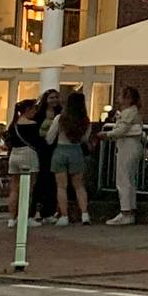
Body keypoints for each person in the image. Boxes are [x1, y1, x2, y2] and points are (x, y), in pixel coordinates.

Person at [102, 86, 147, 225]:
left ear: (128, 98)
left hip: (127, 147)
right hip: (131, 146)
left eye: (121, 96)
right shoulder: (133, 112)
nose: (118, 99)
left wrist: (107, 134)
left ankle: (125, 211)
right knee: (129, 179)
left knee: (123, 179)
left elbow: (122, 129)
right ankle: (129, 210)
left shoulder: (128, 112)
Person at [47, 88, 92, 225]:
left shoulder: (60, 119)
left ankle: (64, 216)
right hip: (76, 151)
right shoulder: (85, 121)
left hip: (60, 151)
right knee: (79, 186)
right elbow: (85, 138)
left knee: (61, 186)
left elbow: (49, 138)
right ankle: (85, 214)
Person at [6, 98, 48, 219]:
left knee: (14, 188)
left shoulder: (13, 125)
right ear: (27, 109)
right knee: (28, 189)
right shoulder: (33, 125)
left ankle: (12, 218)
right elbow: (39, 142)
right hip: (28, 154)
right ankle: (24, 217)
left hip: (14, 155)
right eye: (34, 108)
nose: (36, 111)